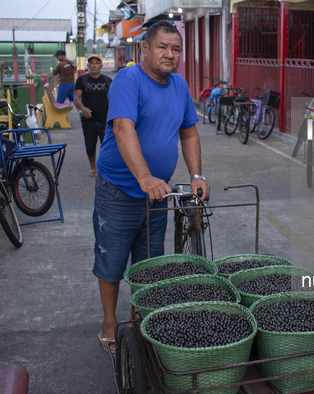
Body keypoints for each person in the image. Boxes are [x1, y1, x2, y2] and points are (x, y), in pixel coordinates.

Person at [93, 20, 210, 353]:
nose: (169, 54)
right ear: (144, 48)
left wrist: (197, 175)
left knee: (149, 263)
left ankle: (139, 319)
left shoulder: (179, 86)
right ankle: (110, 324)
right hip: (119, 191)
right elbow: (122, 129)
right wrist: (144, 177)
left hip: (159, 195)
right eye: (162, 47)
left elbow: (189, 133)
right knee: (112, 263)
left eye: (175, 49)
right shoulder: (129, 80)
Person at [73, 54, 112, 177]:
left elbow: (114, 98)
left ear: (101, 65)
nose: (94, 65)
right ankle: (93, 166)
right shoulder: (82, 80)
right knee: (90, 146)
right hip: (88, 121)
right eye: (92, 63)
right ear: (88, 66)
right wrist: (82, 108)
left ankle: (104, 167)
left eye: (97, 63)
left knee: (106, 146)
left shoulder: (107, 80)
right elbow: (76, 97)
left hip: (105, 120)